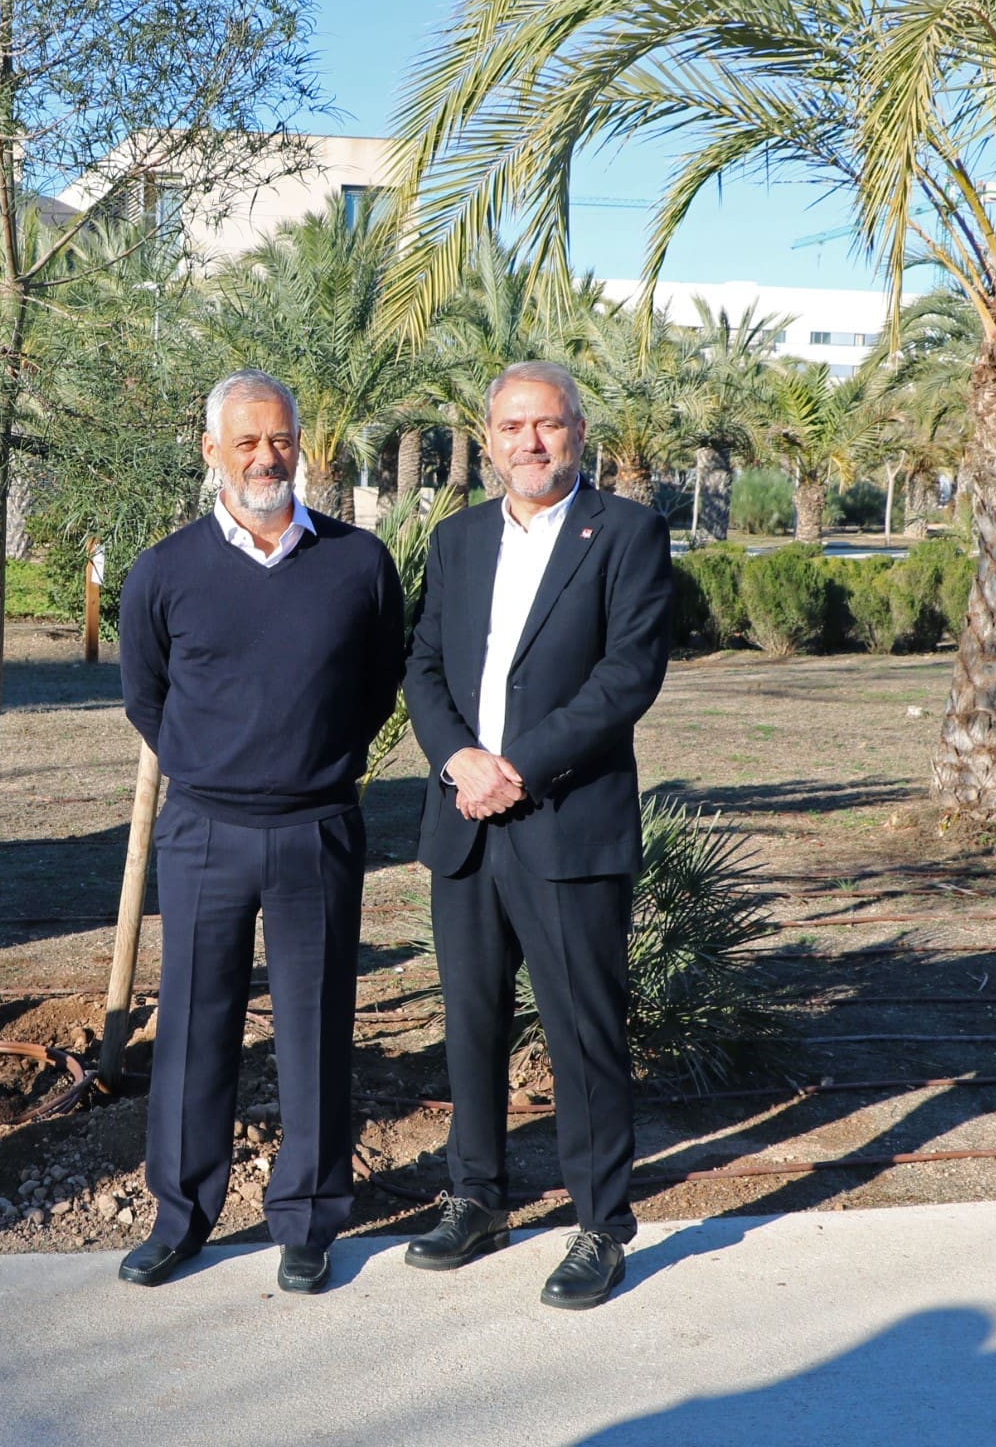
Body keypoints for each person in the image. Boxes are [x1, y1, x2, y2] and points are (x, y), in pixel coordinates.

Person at [117, 369, 406, 1294]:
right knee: (195, 1026)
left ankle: (310, 1220)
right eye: (244, 441)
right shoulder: (165, 570)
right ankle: (181, 1216)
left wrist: (312, 764)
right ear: (211, 452)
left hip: (317, 828)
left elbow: (376, 687)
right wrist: (212, 771)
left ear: (301, 446)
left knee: (317, 1026)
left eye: (279, 439)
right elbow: (145, 697)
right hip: (204, 830)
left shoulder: (359, 564)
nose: (264, 457)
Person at [400, 360, 673, 1309]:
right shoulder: (459, 538)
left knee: (582, 1032)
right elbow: (425, 663)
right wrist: (459, 761)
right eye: (512, 427)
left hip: (565, 823)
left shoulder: (627, 534)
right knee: (471, 1023)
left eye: (548, 425)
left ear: (578, 434)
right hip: (464, 822)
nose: (530, 442)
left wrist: (514, 764)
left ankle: (602, 1225)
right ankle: (477, 1196)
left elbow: (628, 676)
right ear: (487, 440)